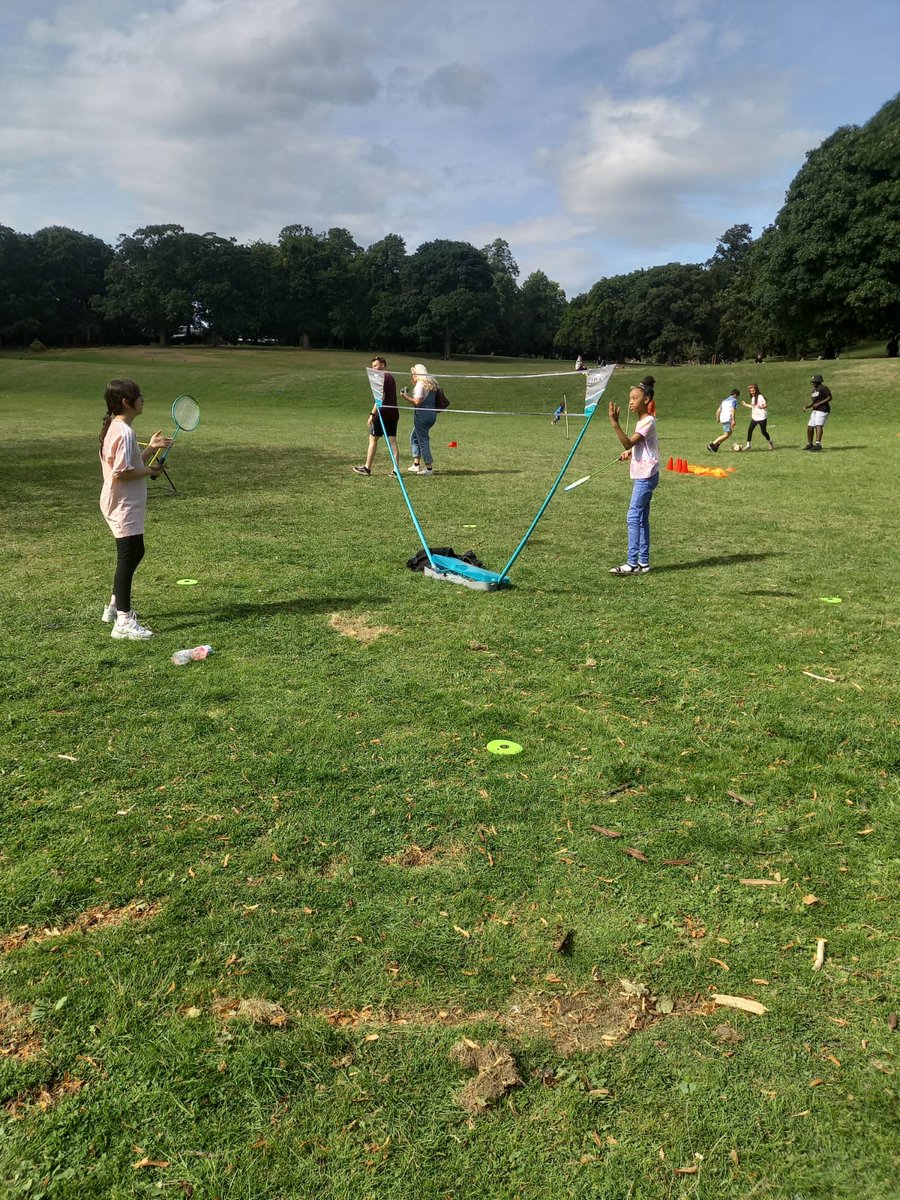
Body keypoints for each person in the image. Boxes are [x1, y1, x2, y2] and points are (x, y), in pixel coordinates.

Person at [98, 379, 171, 640]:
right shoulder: (124, 432)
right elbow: (123, 472)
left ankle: (115, 607)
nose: (143, 399)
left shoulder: (119, 429)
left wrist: (150, 448)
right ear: (127, 403)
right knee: (129, 556)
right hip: (122, 504)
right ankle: (123, 622)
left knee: (133, 553)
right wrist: (151, 470)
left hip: (120, 501)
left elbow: (128, 463)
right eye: (139, 396)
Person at [608, 384, 660, 575]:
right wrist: (630, 451)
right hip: (646, 473)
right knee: (642, 518)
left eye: (635, 398)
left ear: (645, 400)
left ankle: (632, 563)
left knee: (633, 516)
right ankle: (643, 563)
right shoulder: (643, 422)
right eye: (630, 398)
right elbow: (638, 444)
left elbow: (629, 440)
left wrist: (615, 424)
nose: (631, 402)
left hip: (645, 476)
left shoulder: (648, 421)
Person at [352, 356, 400, 476]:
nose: (374, 368)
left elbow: (380, 399)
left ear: (383, 365)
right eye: (373, 366)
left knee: (373, 438)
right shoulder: (391, 376)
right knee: (392, 440)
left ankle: (367, 468)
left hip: (383, 413)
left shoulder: (382, 377)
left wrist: (372, 414)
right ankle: (396, 470)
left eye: (376, 365)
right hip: (393, 412)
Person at [400, 363, 440, 474]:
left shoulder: (420, 384)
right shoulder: (432, 384)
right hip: (432, 415)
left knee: (423, 440)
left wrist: (405, 396)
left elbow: (417, 402)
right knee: (414, 437)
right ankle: (416, 464)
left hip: (422, 415)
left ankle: (429, 468)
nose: (412, 376)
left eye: (413, 374)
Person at [738, 383, 774, 450]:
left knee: (763, 431)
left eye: (753, 390)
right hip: (755, 417)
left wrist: (762, 406)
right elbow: (753, 406)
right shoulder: (753, 398)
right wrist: (745, 404)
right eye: (750, 391)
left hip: (762, 417)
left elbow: (765, 405)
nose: (751, 392)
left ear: (756, 390)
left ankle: (770, 441)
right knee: (750, 430)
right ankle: (748, 445)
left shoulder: (760, 397)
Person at [803, 373, 832, 451]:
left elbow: (830, 397)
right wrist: (807, 406)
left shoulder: (824, 388)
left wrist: (819, 404)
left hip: (823, 409)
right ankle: (810, 444)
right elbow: (814, 403)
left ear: (818, 381)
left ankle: (818, 444)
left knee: (818, 425)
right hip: (815, 410)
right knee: (810, 427)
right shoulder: (814, 391)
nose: (812, 383)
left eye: (814, 381)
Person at [707, 388, 740, 452]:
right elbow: (733, 410)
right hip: (727, 418)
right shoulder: (734, 400)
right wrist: (733, 420)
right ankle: (712, 444)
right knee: (726, 434)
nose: (737, 398)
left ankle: (717, 445)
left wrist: (718, 418)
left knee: (729, 433)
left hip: (723, 418)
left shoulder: (724, 401)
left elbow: (718, 410)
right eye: (738, 397)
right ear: (736, 395)